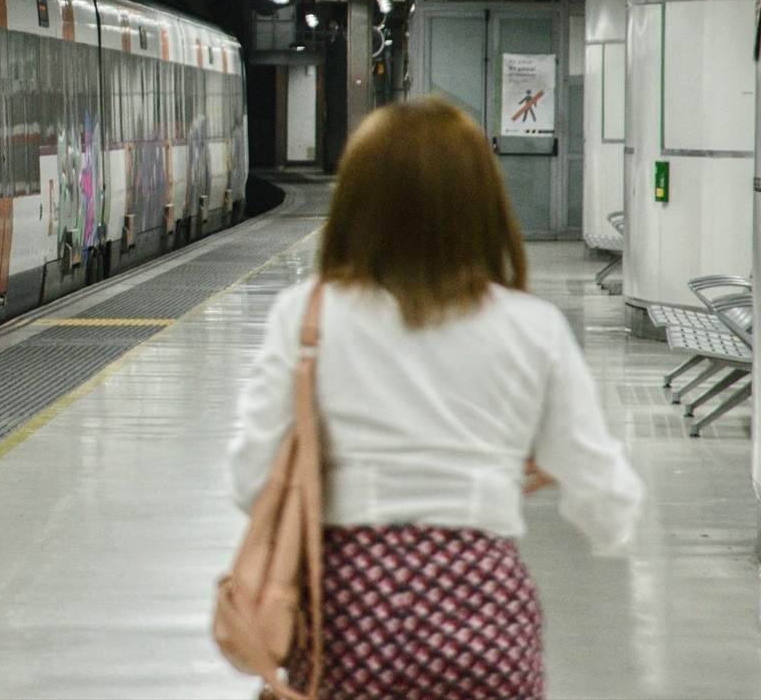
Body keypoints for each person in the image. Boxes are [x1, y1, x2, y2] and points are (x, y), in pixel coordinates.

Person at [227, 98, 642, 699]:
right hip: (486, 607)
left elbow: (250, 478)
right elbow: (604, 496)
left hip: (350, 609)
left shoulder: (308, 315)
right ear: (483, 205)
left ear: (355, 203)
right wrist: (596, 521)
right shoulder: (532, 325)